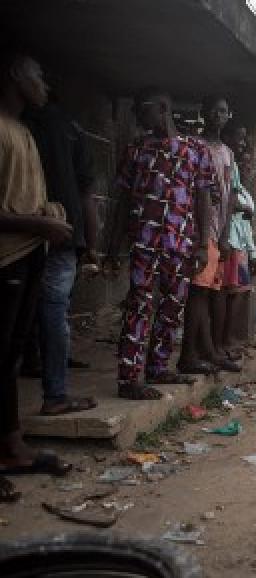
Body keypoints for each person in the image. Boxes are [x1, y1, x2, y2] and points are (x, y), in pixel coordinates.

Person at [103, 87, 214, 400]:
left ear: (163, 108)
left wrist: (203, 244)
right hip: (144, 240)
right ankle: (129, 378)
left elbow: (203, 198)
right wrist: (112, 246)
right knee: (139, 304)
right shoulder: (136, 148)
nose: (138, 117)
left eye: (143, 109)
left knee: (171, 307)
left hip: (180, 242)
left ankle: (158, 366)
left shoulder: (196, 149)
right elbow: (122, 200)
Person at [0, 52, 75, 502]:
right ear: (14, 74)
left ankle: (11, 446)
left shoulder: (24, 131)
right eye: (38, 75)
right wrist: (37, 224)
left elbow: (24, 198)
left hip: (28, 254)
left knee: (9, 357)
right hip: (7, 256)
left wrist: (48, 217)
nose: (44, 84)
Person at [22, 81, 101, 415]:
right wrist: (92, 245)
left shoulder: (22, 126)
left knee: (25, 307)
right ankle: (55, 393)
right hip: (62, 231)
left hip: (23, 232)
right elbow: (87, 193)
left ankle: (35, 363)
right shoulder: (70, 129)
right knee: (55, 309)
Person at [177, 96, 239, 374]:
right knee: (198, 293)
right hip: (196, 231)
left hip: (215, 233)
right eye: (214, 109)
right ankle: (190, 354)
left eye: (224, 110)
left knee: (208, 293)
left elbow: (231, 196)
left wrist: (224, 234)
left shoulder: (227, 153)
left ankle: (206, 351)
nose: (218, 114)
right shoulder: (192, 146)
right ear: (204, 112)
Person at [221, 119, 256, 355]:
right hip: (231, 243)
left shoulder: (244, 191)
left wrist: (253, 251)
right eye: (244, 166)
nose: (247, 169)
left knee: (240, 295)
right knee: (231, 295)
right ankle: (226, 341)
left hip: (240, 246)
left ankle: (232, 340)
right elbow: (230, 209)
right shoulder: (228, 172)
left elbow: (247, 227)